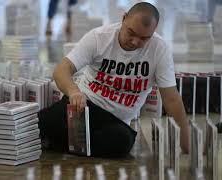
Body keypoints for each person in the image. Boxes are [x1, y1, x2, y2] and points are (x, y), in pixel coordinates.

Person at [39, 2, 190, 158]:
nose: (135, 42)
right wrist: (73, 92)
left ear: (153, 32)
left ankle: (58, 143)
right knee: (39, 125)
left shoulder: (159, 50)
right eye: (131, 32)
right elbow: (61, 70)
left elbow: (171, 98)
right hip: (84, 106)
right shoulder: (99, 37)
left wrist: (186, 143)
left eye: (144, 38)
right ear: (123, 18)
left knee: (122, 141)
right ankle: (71, 144)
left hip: (115, 121)